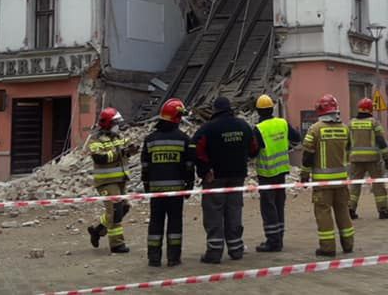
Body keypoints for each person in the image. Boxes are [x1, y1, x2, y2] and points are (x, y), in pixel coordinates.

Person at [192, 97, 259, 263]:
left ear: (215, 110)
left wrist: (205, 170)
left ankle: (214, 252)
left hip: (215, 177)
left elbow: (195, 150)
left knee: (214, 212)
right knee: (234, 210)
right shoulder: (243, 126)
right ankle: (236, 249)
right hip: (237, 176)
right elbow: (254, 148)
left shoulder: (207, 128)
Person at [142, 98, 195, 267]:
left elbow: (145, 166)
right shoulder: (184, 139)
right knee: (175, 224)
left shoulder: (150, 139)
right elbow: (189, 165)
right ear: (176, 118)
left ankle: (154, 258)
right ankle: (173, 257)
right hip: (176, 191)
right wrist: (189, 184)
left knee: (155, 224)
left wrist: (147, 185)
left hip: (156, 191)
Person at [301, 94, 354, 257]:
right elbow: (349, 150)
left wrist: (304, 174)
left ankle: (328, 247)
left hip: (323, 183)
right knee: (343, 211)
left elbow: (308, 155)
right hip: (341, 180)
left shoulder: (315, 129)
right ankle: (348, 245)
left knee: (323, 214)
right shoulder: (345, 128)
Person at [251, 94, 301, 252]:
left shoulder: (259, 129)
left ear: (258, 111)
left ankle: (273, 241)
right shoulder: (282, 123)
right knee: (279, 204)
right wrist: (286, 146)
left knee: (268, 206)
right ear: (272, 109)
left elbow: (253, 152)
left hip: (266, 173)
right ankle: (279, 237)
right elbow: (297, 138)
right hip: (281, 171)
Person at [87, 107, 138, 254]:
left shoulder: (118, 137)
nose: (118, 126)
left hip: (120, 180)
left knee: (124, 208)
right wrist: (120, 152)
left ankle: (98, 230)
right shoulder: (96, 139)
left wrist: (130, 150)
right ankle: (117, 245)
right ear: (108, 123)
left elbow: (124, 152)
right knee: (115, 210)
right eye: (116, 122)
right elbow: (100, 158)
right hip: (106, 181)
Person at [347, 97, 388, 219]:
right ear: (370, 109)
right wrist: (387, 157)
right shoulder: (374, 123)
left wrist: (347, 158)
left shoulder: (351, 123)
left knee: (354, 185)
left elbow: (347, 143)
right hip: (373, 160)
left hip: (355, 160)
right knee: (378, 185)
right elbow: (381, 141)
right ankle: (383, 211)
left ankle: (350, 209)